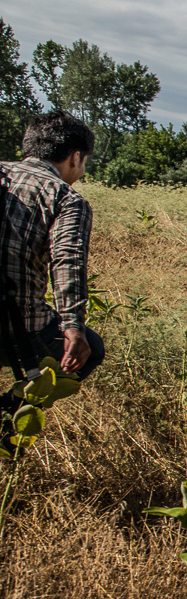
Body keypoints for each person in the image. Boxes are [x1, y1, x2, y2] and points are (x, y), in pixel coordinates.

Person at [0, 111, 104, 394]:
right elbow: (67, 261)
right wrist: (73, 327)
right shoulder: (65, 198)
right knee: (91, 350)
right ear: (75, 157)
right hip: (16, 327)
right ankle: (16, 416)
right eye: (84, 163)